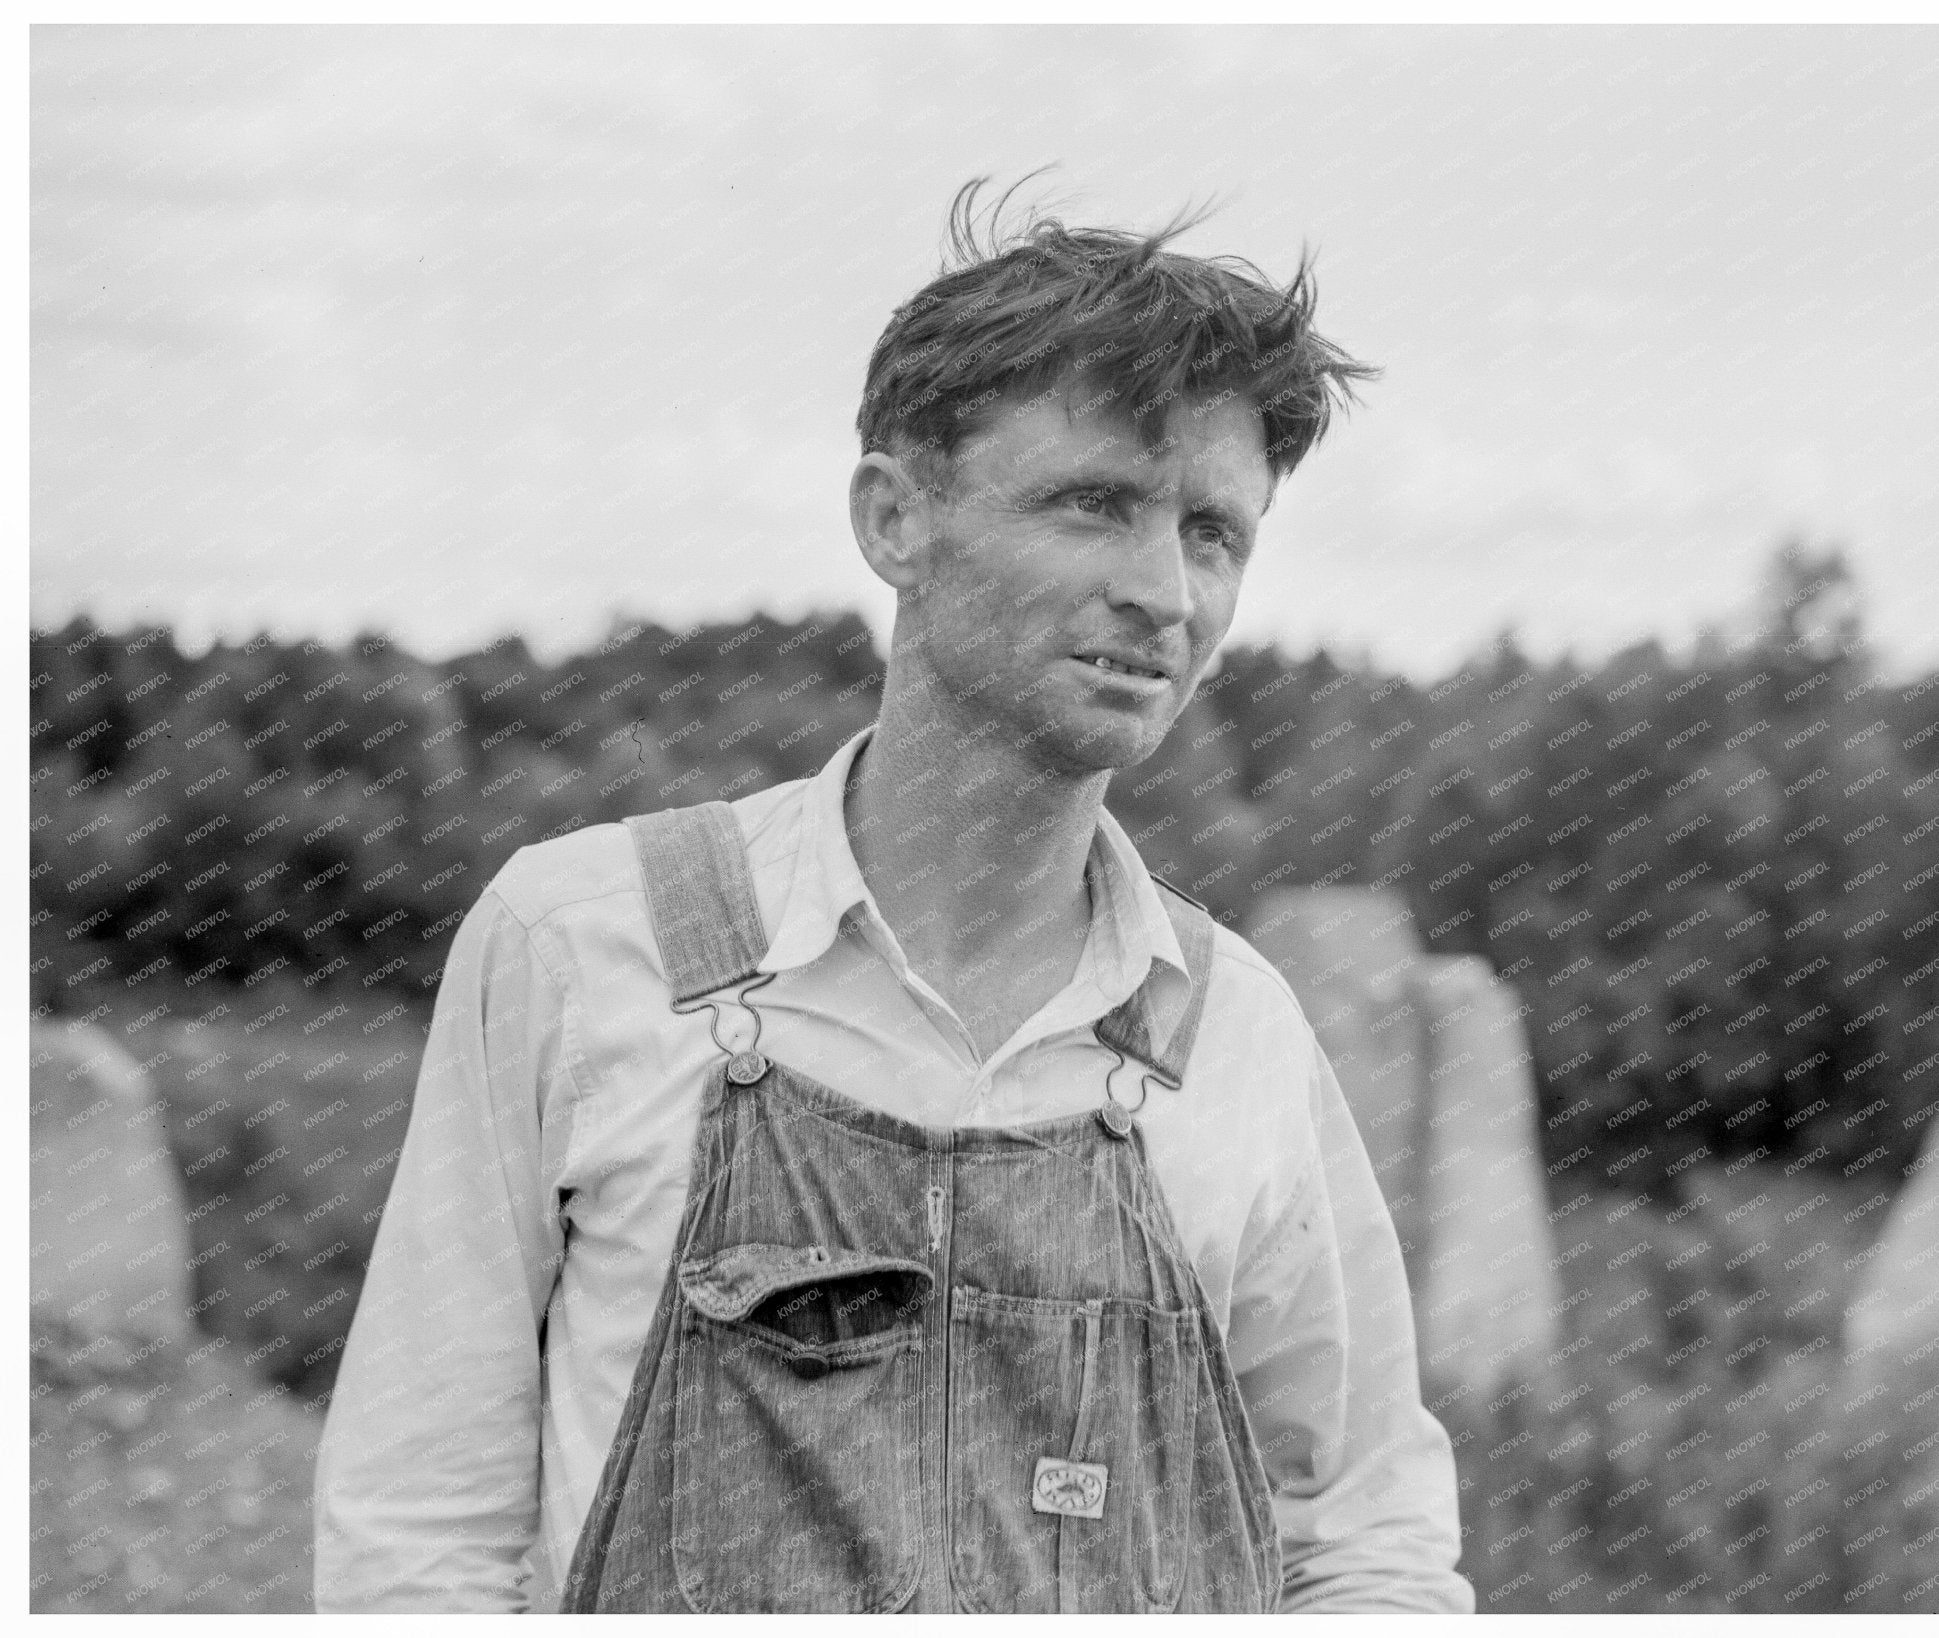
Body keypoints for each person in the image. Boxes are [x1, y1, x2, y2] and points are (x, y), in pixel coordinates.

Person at [314, 180, 1475, 1614]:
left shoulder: (1238, 1032)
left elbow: (1365, 1536)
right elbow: (416, 1527)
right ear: (893, 518)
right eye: (1094, 503)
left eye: (1213, 533)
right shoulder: (578, 939)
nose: (1163, 591)